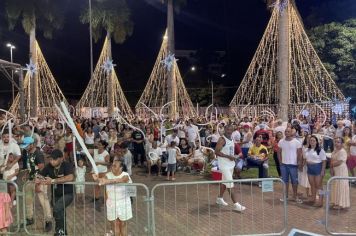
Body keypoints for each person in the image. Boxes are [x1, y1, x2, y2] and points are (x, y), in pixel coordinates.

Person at [38, 149, 74, 236]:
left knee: (57, 208)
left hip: (67, 194)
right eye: (50, 159)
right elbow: (40, 175)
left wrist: (53, 181)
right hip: (56, 195)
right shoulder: (49, 166)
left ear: (61, 158)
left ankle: (59, 231)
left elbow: (70, 177)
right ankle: (62, 232)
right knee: (60, 213)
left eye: (54, 159)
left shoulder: (66, 165)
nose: (51, 161)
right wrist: (38, 178)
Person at [22, 137, 53, 232]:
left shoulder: (38, 154)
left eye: (26, 146)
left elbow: (42, 169)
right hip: (30, 180)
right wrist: (26, 174)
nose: (25, 148)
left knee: (44, 201)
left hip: (39, 181)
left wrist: (38, 183)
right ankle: (29, 218)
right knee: (28, 200)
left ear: (32, 144)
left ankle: (48, 221)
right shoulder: (28, 153)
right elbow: (30, 166)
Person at [97, 160, 133, 236]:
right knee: (114, 224)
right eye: (112, 165)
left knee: (123, 224)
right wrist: (97, 179)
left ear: (121, 168)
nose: (112, 166)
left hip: (124, 203)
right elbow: (101, 181)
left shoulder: (125, 175)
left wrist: (107, 181)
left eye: (115, 165)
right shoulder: (108, 174)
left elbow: (122, 180)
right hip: (111, 203)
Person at [215, 124, 246, 212]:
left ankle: (219, 198)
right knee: (230, 183)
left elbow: (233, 151)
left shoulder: (231, 139)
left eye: (231, 129)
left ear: (233, 130)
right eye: (228, 129)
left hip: (230, 164)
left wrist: (235, 156)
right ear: (225, 129)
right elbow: (216, 151)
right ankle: (236, 204)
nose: (229, 131)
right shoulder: (222, 139)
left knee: (225, 182)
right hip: (224, 165)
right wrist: (228, 156)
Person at [278, 127, 303, 203]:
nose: (287, 133)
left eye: (288, 131)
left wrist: (298, 162)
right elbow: (278, 152)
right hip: (284, 165)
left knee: (294, 182)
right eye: (286, 131)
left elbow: (299, 154)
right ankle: (285, 196)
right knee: (285, 181)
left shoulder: (297, 142)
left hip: (293, 165)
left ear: (291, 132)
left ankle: (295, 196)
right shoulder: (281, 141)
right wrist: (280, 162)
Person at [305, 136, 326, 207]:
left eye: (313, 141)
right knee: (312, 185)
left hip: (318, 168)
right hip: (310, 169)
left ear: (316, 142)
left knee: (319, 185)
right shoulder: (307, 150)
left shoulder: (320, 150)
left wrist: (322, 171)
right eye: (311, 140)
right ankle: (313, 198)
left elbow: (324, 161)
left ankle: (321, 201)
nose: (312, 142)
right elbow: (306, 159)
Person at [330, 137, 350, 210]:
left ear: (342, 143)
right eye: (335, 142)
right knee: (335, 185)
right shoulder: (334, 151)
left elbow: (339, 162)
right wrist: (331, 169)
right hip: (335, 170)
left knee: (341, 185)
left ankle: (341, 203)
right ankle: (335, 201)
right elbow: (331, 161)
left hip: (341, 170)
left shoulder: (342, 151)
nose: (336, 143)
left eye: (338, 142)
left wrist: (332, 165)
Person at [93, 140, 110, 211]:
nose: (98, 145)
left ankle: (107, 199)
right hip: (96, 172)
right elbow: (87, 151)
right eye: (98, 144)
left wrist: (99, 163)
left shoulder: (106, 153)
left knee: (104, 186)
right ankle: (96, 198)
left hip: (103, 172)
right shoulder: (95, 151)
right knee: (96, 185)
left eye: (100, 144)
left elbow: (107, 163)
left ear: (103, 146)